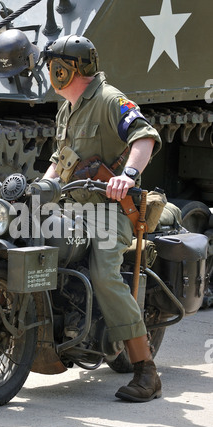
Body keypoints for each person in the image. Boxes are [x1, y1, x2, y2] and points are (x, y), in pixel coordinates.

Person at [43, 34, 162, 402]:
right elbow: (58, 162)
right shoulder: (67, 109)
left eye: (54, 66)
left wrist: (128, 176)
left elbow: (145, 136)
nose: (49, 72)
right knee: (29, 241)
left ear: (69, 69)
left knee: (104, 273)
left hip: (110, 211)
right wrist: (37, 190)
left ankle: (146, 370)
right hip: (72, 209)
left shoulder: (110, 100)